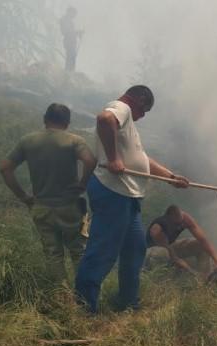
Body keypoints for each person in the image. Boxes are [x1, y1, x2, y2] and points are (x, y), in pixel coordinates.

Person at [75, 85, 190, 313]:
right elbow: (104, 119)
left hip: (128, 197)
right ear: (139, 100)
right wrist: (113, 158)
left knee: (135, 249)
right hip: (114, 193)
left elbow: (143, 160)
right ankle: (83, 307)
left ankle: (128, 303)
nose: (143, 116)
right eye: (145, 110)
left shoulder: (128, 124)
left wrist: (171, 177)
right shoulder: (121, 108)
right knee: (103, 251)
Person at [0, 103, 95, 283]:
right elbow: (90, 161)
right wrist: (83, 184)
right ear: (67, 123)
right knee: (78, 252)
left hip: (41, 206)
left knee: (53, 254)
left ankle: (62, 298)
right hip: (70, 208)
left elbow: (5, 168)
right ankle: (84, 296)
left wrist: (24, 197)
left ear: (45, 119)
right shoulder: (74, 141)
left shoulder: (27, 141)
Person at [146, 205, 217, 274]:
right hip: (152, 252)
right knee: (163, 253)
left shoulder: (185, 218)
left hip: (170, 246)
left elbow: (203, 240)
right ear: (170, 218)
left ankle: (204, 279)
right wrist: (179, 261)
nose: (180, 225)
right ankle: (162, 283)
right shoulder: (160, 225)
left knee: (199, 245)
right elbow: (165, 245)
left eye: (181, 221)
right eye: (177, 223)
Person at [60, 7, 83, 72]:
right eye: (73, 14)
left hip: (71, 42)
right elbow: (66, 32)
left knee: (72, 57)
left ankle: (70, 72)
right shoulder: (64, 20)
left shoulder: (68, 21)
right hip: (69, 42)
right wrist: (77, 32)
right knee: (70, 57)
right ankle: (68, 72)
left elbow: (70, 31)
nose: (74, 16)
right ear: (69, 12)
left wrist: (78, 33)